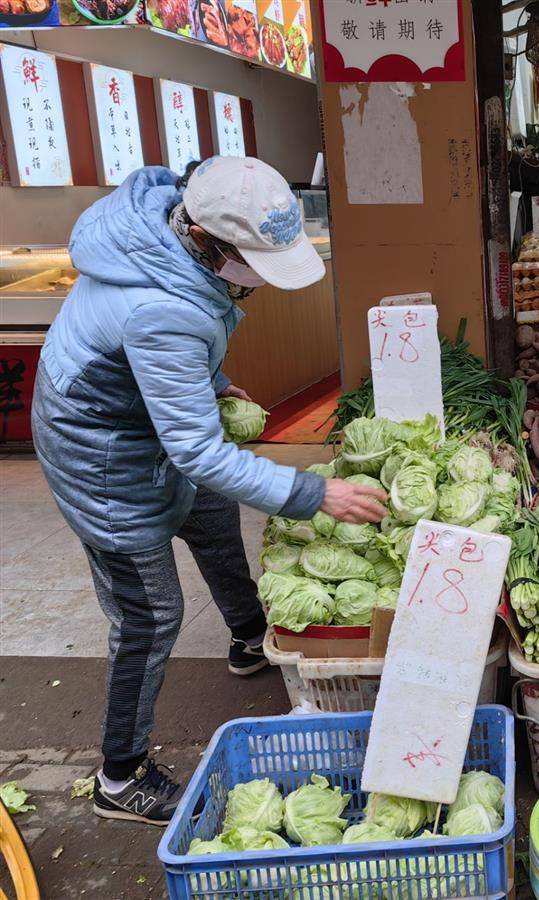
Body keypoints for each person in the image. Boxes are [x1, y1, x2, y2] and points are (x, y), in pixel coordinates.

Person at [32, 157, 389, 826]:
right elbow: (194, 446)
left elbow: (173, 352)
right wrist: (315, 494)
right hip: (100, 455)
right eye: (253, 259)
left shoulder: (164, 237)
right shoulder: (162, 310)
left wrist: (212, 383)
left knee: (213, 516)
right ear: (203, 236)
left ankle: (250, 637)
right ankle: (120, 774)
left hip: (135, 419)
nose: (258, 276)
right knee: (150, 614)